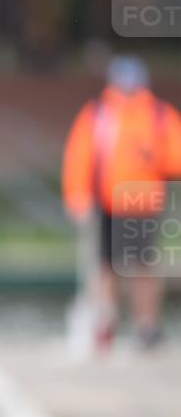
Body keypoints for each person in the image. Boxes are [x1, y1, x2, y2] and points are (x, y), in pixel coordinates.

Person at [62, 55, 181, 350]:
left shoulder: (158, 115)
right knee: (106, 267)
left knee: (142, 267)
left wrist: (152, 157)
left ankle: (146, 326)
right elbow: (80, 158)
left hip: (143, 203)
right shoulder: (98, 114)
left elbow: (176, 157)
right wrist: (77, 196)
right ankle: (105, 322)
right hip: (107, 202)